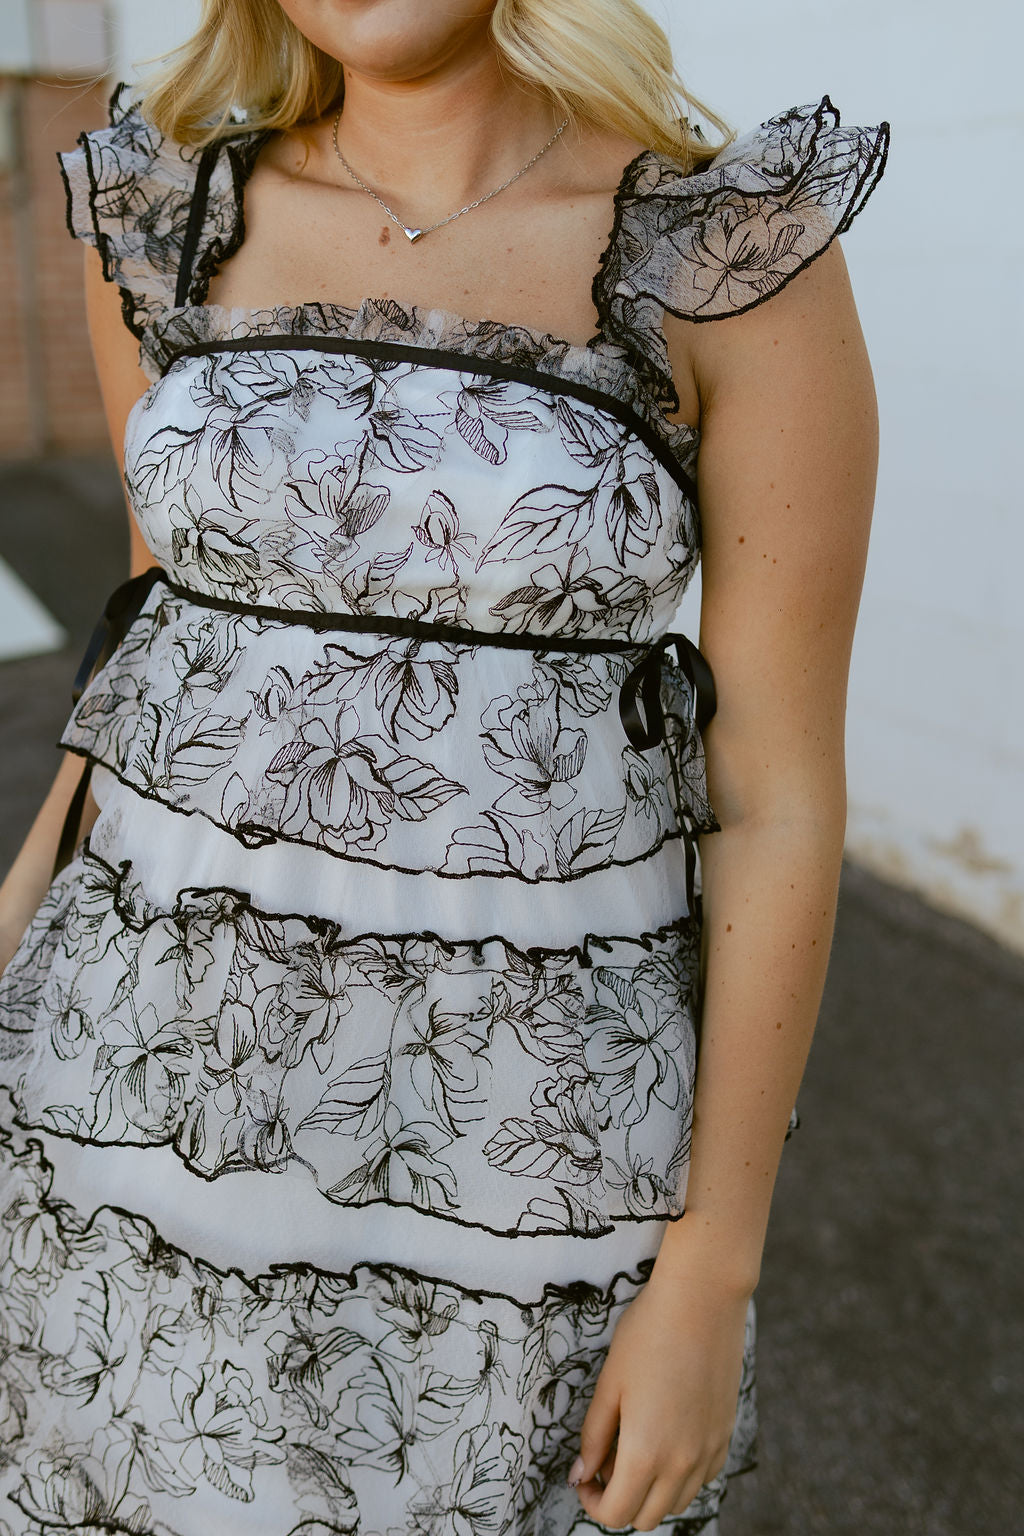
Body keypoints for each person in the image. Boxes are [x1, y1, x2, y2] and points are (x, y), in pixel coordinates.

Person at [0, 1, 888, 1531]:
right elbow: (151, 647)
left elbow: (779, 797)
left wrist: (713, 1271)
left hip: (525, 1137)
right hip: (131, 1093)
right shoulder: (168, 215)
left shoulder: (724, 250)